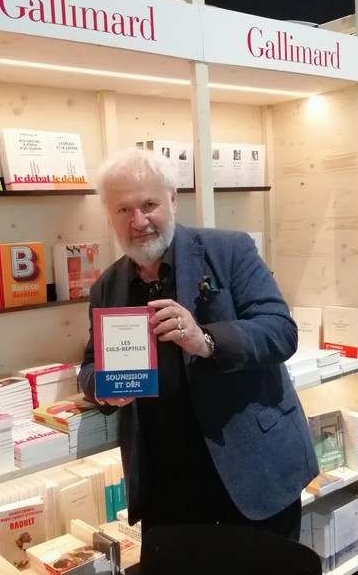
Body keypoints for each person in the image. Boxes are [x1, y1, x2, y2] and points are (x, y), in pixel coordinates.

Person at [78, 148, 319, 540]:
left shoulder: (228, 250)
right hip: (166, 488)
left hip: (250, 474)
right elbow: (89, 368)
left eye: (149, 204)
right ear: (109, 216)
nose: (138, 222)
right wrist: (103, 389)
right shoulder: (108, 286)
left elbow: (280, 331)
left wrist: (205, 339)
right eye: (123, 210)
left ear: (172, 200)